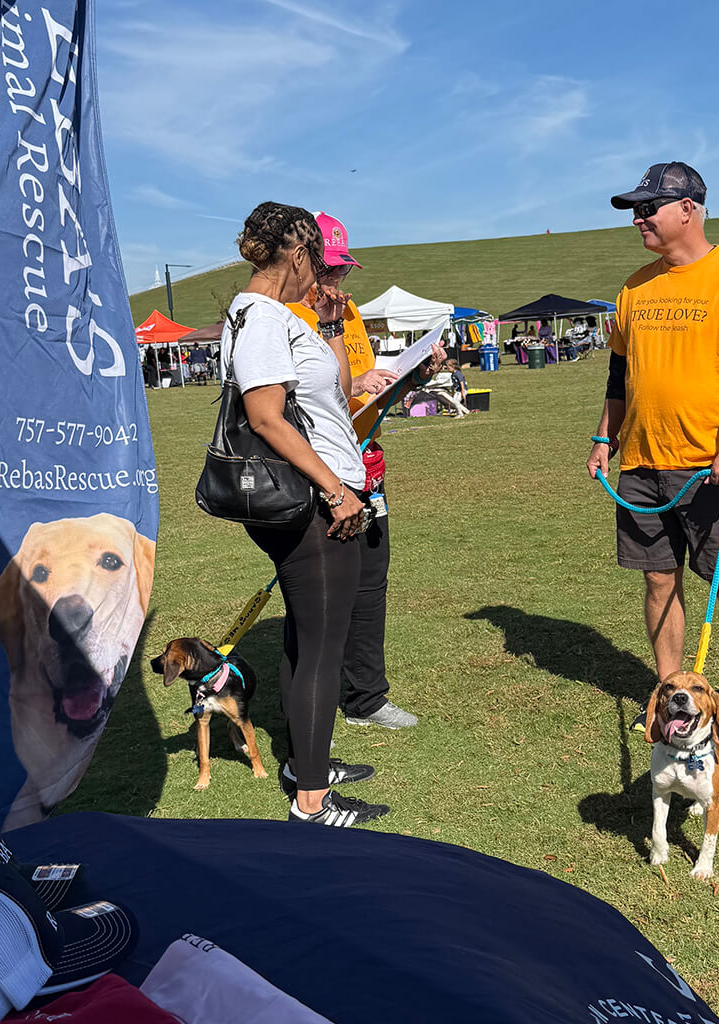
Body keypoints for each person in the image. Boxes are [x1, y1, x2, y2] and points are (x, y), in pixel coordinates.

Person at [587, 161, 719, 744]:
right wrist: (604, 438)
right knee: (658, 581)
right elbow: (620, 374)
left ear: (688, 208)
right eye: (635, 211)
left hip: (708, 466)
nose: (639, 219)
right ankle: (669, 693)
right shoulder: (634, 286)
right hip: (641, 464)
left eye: (648, 208)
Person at [223, 201, 389, 827]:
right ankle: (312, 802)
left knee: (305, 636)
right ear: (297, 256)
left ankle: (303, 765)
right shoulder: (262, 317)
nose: (320, 275)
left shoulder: (265, 316)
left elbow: (326, 398)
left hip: (311, 494)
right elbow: (266, 417)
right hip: (312, 502)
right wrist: (336, 490)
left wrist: (328, 330)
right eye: (316, 262)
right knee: (322, 647)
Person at [288, 212, 444, 732]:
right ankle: (310, 703)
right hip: (319, 468)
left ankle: (365, 697)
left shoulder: (348, 310)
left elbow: (370, 386)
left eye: (343, 268)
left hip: (366, 461)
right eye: (328, 268)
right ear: (305, 261)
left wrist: (411, 375)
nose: (336, 278)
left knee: (371, 579)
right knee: (320, 590)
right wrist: (357, 383)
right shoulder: (288, 312)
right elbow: (305, 391)